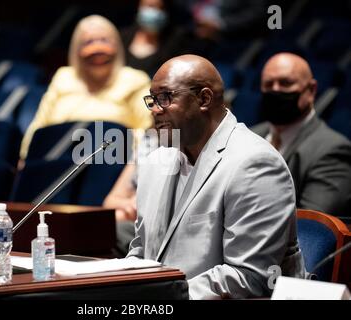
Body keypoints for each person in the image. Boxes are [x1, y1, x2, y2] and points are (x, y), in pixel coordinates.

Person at [127, 54, 305, 299]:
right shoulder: (156, 163)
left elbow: (248, 277)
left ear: (204, 98)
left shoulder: (255, 163)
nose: (155, 110)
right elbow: (140, 253)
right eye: (152, 100)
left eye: (166, 98)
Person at [20, 15, 153, 160]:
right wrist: (25, 158)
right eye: (88, 42)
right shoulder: (63, 77)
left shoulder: (135, 80)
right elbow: (38, 126)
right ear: (76, 50)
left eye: (104, 40)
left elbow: (149, 133)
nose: (97, 49)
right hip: (57, 161)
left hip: (114, 163)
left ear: (117, 45)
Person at [253, 53, 351, 218]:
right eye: (268, 84)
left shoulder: (333, 150)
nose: (275, 90)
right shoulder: (250, 134)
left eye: (286, 83)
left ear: (311, 90)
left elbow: (311, 225)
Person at [121, 0, 192, 77]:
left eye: (161, 8)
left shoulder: (177, 42)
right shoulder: (123, 36)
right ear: (139, 6)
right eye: (150, 6)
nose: (155, 11)